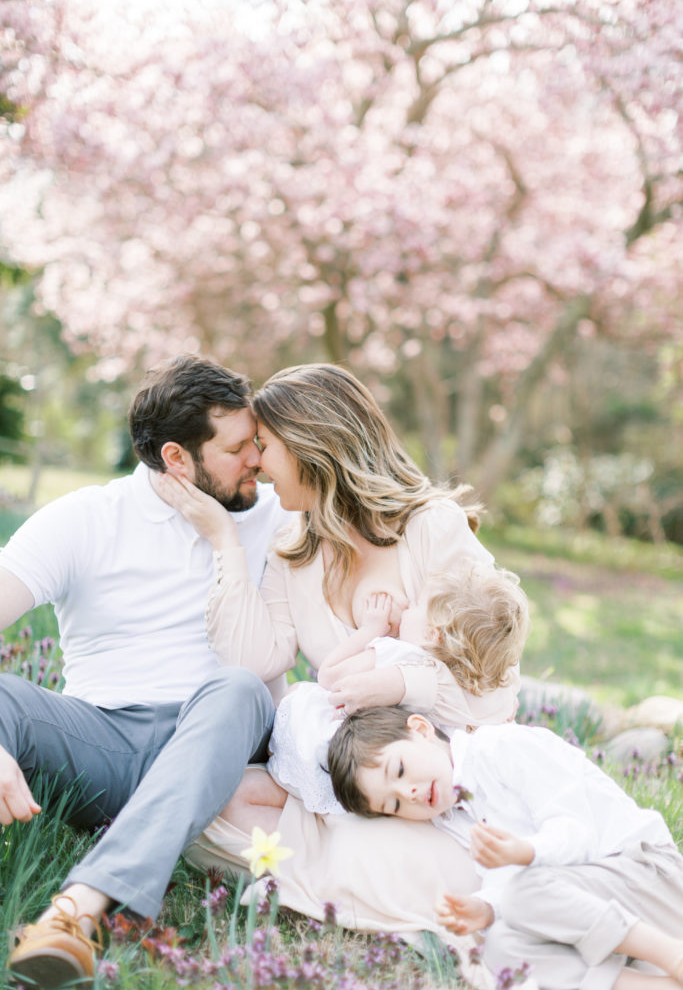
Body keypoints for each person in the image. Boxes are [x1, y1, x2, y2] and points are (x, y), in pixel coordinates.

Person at [158, 363, 520, 972]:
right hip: (358, 783)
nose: (254, 463)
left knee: (330, 843)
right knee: (219, 804)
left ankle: (372, 879)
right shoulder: (296, 546)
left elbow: (495, 693)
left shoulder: (432, 528)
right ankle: (351, 873)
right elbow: (252, 659)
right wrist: (223, 539)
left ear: (311, 448)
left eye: (264, 447)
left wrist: (400, 684)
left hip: (448, 779)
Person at [1, 355, 290, 988]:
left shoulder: (275, 515)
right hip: (104, 742)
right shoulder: (85, 518)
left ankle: (77, 913)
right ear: (178, 458)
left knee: (238, 686)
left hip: (222, 737)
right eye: (240, 447)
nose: (258, 461)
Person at [328, 706, 683, 990]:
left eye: (400, 770)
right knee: (499, 948)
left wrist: (525, 853)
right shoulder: (451, 818)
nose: (409, 794)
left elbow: (577, 831)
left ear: (420, 729)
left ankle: (674, 957)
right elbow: (511, 888)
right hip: (600, 910)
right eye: (394, 805)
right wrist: (487, 908)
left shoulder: (500, 748)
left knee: (523, 892)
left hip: (647, 874)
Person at [265, 561, 528, 815]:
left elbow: (330, 676)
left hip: (325, 744)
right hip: (408, 778)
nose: (406, 611)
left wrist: (371, 630)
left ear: (432, 634)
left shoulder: (403, 657)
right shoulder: (495, 688)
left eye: (414, 606)